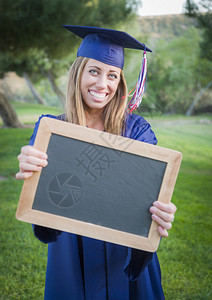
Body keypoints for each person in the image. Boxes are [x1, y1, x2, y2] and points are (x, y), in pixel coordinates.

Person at [16, 26, 176, 300]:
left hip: (125, 249)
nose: (103, 84)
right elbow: (43, 208)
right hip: (72, 249)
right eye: (94, 71)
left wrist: (162, 211)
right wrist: (31, 168)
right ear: (78, 73)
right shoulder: (51, 130)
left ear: (120, 82)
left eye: (112, 75)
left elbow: (150, 192)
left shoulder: (136, 131)